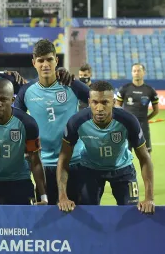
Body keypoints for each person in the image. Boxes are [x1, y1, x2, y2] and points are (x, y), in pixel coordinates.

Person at [57, 81, 155, 215]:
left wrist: (149, 198)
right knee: (87, 214)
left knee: (133, 214)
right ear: (89, 102)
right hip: (90, 170)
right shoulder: (76, 122)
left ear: (113, 102)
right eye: (95, 102)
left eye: (105, 102)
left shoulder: (128, 120)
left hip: (123, 169)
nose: (99, 108)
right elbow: (63, 158)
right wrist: (62, 197)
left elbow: (144, 158)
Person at [14, 39, 90, 205]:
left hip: (75, 161)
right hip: (44, 165)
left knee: (81, 214)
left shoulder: (72, 85)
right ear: (34, 63)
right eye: (41, 60)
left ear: (56, 60)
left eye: (49, 59)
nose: (45, 64)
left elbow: (98, 102)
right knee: (48, 217)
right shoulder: (26, 91)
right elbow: (14, 121)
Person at [116, 63, 159, 153]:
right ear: (131, 73)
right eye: (134, 71)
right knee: (125, 154)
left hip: (143, 126)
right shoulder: (124, 88)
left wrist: (145, 119)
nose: (136, 73)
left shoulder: (150, 90)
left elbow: (156, 110)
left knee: (146, 154)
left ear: (144, 72)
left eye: (139, 70)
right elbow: (117, 107)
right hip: (127, 126)